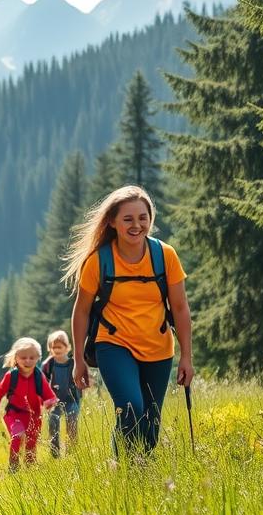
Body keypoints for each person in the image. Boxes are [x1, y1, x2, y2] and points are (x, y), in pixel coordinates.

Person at [65, 185, 193, 454]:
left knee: (150, 422)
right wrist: (78, 360)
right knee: (131, 409)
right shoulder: (99, 261)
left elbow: (180, 308)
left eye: (143, 218)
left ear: (150, 219)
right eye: (128, 219)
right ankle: (121, 467)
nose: (137, 225)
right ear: (112, 222)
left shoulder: (165, 255)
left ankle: (138, 475)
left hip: (158, 348)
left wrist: (186, 357)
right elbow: (82, 310)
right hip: (114, 344)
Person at [0, 337, 58, 472]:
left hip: (34, 416)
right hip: (14, 413)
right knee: (17, 436)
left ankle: (30, 470)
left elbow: (48, 395)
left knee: (31, 443)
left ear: (38, 358)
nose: (28, 361)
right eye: (23, 357)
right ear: (16, 358)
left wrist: (50, 402)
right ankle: (13, 468)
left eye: (32, 358)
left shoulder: (39, 376)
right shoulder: (11, 376)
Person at [41, 330, 83, 457]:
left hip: (72, 399)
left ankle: (72, 453)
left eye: (60, 347)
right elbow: (43, 381)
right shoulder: (48, 364)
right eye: (54, 347)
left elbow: (80, 378)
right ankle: (55, 454)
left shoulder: (73, 363)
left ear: (67, 348)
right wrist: (45, 399)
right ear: (50, 348)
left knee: (72, 425)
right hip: (55, 401)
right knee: (53, 422)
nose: (57, 350)